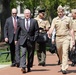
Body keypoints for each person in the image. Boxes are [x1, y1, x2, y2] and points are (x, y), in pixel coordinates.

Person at [47, 5, 75, 74]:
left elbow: (71, 30)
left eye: (61, 12)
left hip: (66, 38)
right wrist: (50, 32)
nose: (60, 13)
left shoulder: (68, 19)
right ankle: (62, 63)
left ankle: (64, 68)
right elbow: (52, 28)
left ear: (63, 12)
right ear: (57, 12)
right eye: (59, 12)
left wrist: (73, 39)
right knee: (59, 53)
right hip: (58, 38)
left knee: (65, 52)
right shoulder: (55, 20)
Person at [15, 9, 39, 73]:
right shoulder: (20, 21)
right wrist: (16, 39)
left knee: (30, 54)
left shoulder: (34, 21)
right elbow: (17, 31)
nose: (27, 14)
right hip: (23, 40)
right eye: (26, 13)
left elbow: (36, 31)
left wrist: (34, 38)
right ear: (24, 14)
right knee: (23, 53)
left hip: (31, 40)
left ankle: (29, 66)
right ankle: (23, 67)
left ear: (30, 14)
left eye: (28, 13)